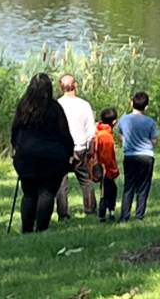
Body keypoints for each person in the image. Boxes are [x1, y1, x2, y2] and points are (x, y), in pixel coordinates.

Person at [10, 73, 73, 233]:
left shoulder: (23, 106)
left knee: (29, 193)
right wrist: (70, 152)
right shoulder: (54, 108)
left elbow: (15, 131)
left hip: (26, 157)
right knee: (47, 193)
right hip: (52, 158)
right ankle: (42, 228)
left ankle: (27, 229)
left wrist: (17, 148)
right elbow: (64, 133)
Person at [54, 73, 95, 220]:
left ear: (60, 87)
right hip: (80, 148)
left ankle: (63, 213)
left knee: (61, 182)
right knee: (86, 180)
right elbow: (91, 130)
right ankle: (90, 208)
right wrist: (90, 148)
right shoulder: (84, 105)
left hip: (62, 150)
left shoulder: (57, 105)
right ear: (75, 85)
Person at [115, 91, 157, 221]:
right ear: (146, 107)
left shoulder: (124, 119)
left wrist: (125, 140)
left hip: (130, 155)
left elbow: (119, 133)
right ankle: (139, 214)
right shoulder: (150, 121)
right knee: (143, 186)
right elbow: (154, 139)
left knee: (129, 186)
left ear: (132, 102)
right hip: (146, 155)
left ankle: (124, 215)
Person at [91, 106, 121, 223]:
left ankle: (105, 213)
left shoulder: (97, 131)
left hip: (99, 166)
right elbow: (107, 157)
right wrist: (113, 170)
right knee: (108, 192)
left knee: (106, 190)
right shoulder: (106, 136)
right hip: (106, 169)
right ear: (114, 121)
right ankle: (105, 214)